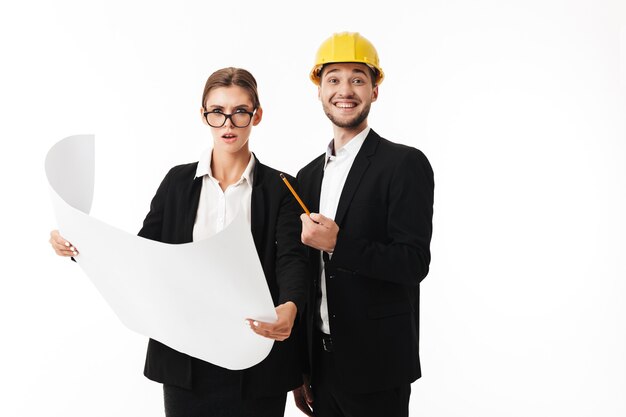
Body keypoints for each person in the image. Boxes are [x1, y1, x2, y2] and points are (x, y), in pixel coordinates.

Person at [49, 67, 310, 417]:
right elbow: (142, 254)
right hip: (185, 359)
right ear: (204, 115)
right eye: (217, 112)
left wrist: (289, 307)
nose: (228, 123)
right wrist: (77, 245)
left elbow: (292, 258)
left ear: (256, 116)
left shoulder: (282, 187)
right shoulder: (177, 182)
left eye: (240, 112)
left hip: (257, 357)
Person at [291, 32, 435, 417]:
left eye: (358, 79)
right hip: (320, 367)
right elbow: (306, 280)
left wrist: (340, 245)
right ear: (320, 91)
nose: (345, 90)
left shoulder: (403, 165)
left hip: (378, 367)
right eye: (334, 79)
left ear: (374, 90)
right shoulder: (306, 177)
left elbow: (413, 262)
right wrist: (301, 367)